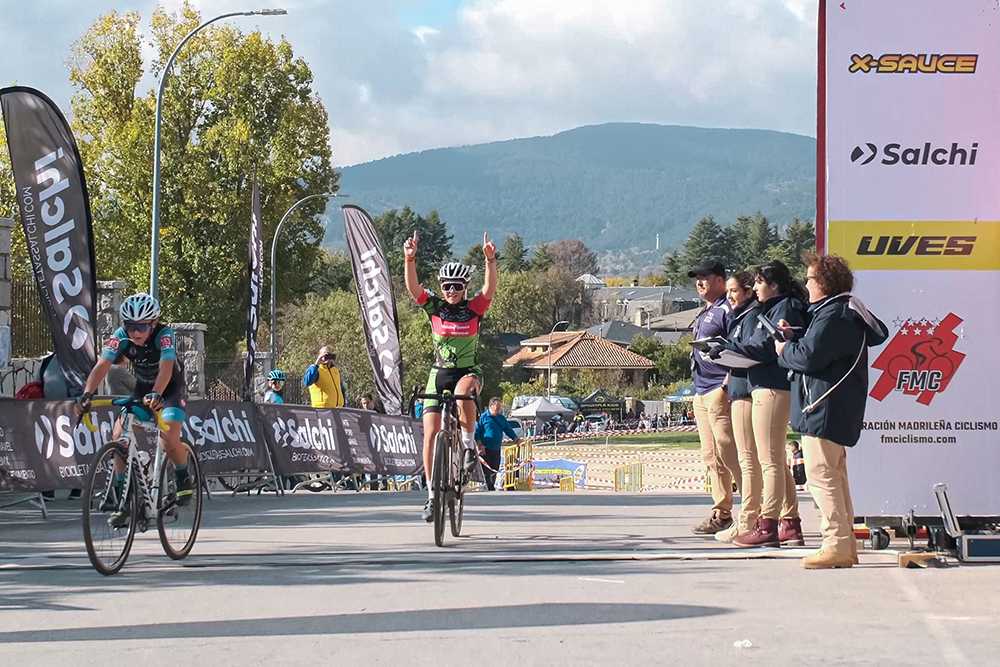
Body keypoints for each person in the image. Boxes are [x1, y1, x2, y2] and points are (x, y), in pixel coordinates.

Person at [776, 254, 887, 569]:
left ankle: (836, 543)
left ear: (823, 283)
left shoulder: (834, 315)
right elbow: (817, 350)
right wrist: (795, 338)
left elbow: (810, 358)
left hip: (823, 407)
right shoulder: (841, 312)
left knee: (822, 477)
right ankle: (845, 544)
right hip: (833, 407)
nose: (806, 284)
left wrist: (784, 350)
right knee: (834, 476)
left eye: (810, 279)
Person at [404, 230, 498, 521]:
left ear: (464, 286)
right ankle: (432, 496)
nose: (451, 290)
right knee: (430, 435)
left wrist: (490, 261)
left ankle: (468, 445)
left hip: (467, 370)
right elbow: (413, 288)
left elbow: (489, 289)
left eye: (457, 286)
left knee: (465, 390)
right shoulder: (436, 307)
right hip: (439, 371)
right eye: (447, 286)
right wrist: (410, 258)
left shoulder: (473, 309)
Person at [75, 293, 191, 526]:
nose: (135, 333)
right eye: (130, 326)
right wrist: (87, 394)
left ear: (153, 323)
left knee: (168, 438)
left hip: (169, 391)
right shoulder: (120, 337)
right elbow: (102, 365)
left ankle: (182, 475)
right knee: (118, 437)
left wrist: (157, 393)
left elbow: (166, 367)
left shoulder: (164, 335)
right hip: (142, 389)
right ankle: (123, 498)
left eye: (141, 327)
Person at [717, 260, 808, 548]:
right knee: (772, 460)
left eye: (758, 282)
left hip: (772, 385)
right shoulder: (771, 308)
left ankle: (767, 524)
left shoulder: (785, 307)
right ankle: (788, 523)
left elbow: (767, 346)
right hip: (762, 385)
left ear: (774, 284)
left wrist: (728, 349)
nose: (755, 287)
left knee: (767, 460)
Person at [688, 259, 743, 535]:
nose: (699, 282)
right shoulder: (705, 312)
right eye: (696, 278)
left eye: (705, 277)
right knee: (711, 456)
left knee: (728, 450)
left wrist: (726, 383)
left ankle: (752, 505)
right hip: (701, 389)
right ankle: (721, 512)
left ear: (720, 280)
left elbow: (737, 346)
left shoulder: (726, 309)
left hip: (718, 388)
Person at [714, 270, 763, 544]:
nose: (730, 297)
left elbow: (752, 350)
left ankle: (749, 519)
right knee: (762, 460)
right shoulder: (739, 316)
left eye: (733, 291)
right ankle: (775, 516)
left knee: (751, 459)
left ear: (748, 291)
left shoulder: (752, 316)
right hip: (739, 387)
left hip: (747, 390)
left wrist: (728, 352)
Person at [474, 397, 520, 491]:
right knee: (487, 470)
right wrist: (479, 445)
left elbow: (508, 429)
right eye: (497, 407)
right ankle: (489, 487)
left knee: (495, 468)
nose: (499, 409)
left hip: (496, 449)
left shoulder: (501, 418)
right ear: (491, 406)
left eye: (500, 407)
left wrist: (516, 439)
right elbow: (477, 432)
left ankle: (491, 486)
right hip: (485, 449)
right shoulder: (483, 417)